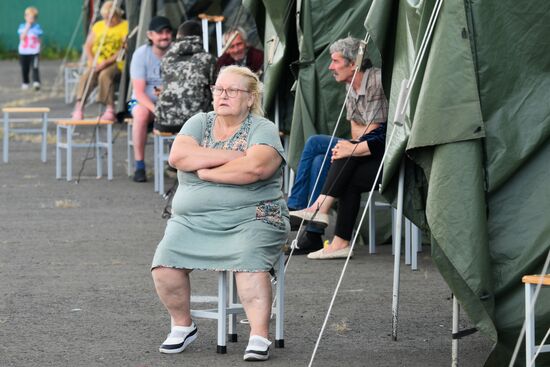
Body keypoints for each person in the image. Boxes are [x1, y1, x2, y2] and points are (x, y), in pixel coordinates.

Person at [151, 65, 289, 362]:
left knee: (250, 262)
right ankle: (183, 326)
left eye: (232, 90)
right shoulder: (199, 122)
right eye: (218, 89)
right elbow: (179, 156)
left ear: (251, 98)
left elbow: (256, 167)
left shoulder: (261, 128)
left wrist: (208, 173)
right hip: (193, 221)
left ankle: (258, 334)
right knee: (164, 264)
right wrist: (234, 156)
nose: (223, 95)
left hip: (253, 215)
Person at [288, 37, 388, 257]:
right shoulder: (350, 86)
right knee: (319, 159)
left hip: (378, 151)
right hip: (365, 146)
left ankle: (298, 208)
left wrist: (356, 142)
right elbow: (356, 133)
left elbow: (376, 133)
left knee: (317, 143)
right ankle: (313, 230)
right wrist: (357, 140)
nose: (330, 67)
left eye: (335, 61)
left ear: (353, 64)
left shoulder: (375, 81)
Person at [128, 16, 173, 182]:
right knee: (140, 113)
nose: (164, 36)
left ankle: (176, 163)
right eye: (160, 33)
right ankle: (139, 165)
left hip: (169, 103)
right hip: (142, 103)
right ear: (150, 35)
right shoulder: (141, 54)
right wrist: (157, 110)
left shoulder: (176, 52)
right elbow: (139, 92)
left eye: (168, 32)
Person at [154, 20, 216, 134]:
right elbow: (215, 88)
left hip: (165, 121)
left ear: (178, 37)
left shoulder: (166, 58)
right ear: (200, 38)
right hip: (196, 122)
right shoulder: (208, 59)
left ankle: (175, 150)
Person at [72, 1, 128, 121]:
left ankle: (110, 108)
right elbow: (87, 45)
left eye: (110, 17)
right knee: (87, 76)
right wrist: (93, 61)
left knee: (105, 75)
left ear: (117, 15)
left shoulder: (125, 26)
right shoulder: (98, 26)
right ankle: (79, 107)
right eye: (105, 17)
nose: (107, 20)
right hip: (97, 62)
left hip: (115, 62)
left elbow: (123, 49)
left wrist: (106, 62)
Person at [18, 6, 43, 91]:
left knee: (35, 67)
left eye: (33, 17)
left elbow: (39, 39)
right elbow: (22, 37)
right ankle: (25, 82)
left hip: (34, 52)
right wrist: (27, 27)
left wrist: (40, 49)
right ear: (25, 17)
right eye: (29, 17)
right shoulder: (22, 27)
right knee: (25, 68)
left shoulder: (37, 27)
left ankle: (36, 82)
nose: (31, 19)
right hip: (24, 52)